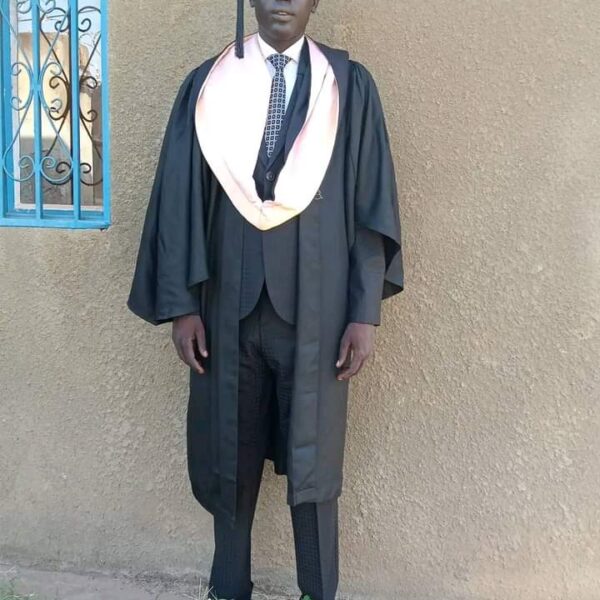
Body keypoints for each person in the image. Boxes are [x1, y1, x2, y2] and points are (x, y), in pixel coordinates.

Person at [127, 1, 404, 598]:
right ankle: (228, 588)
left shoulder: (347, 87)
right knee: (229, 455)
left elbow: (370, 205)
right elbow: (179, 197)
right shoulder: (209, 85)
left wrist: (364, 313)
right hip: (225, 310)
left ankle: (317, 591)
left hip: (319, 316)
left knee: (314, 463)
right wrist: (182, 306)